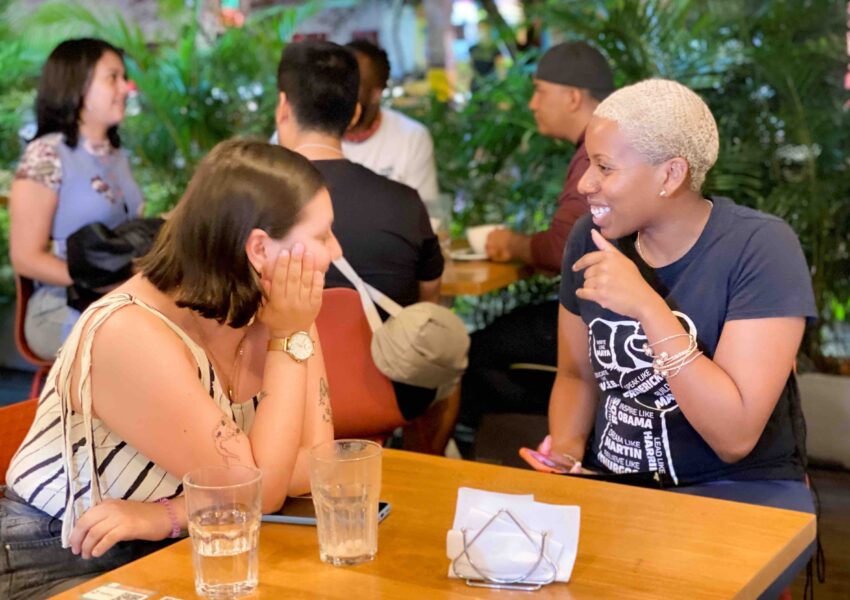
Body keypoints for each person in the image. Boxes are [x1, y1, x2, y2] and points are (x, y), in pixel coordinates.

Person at [2, 139, 338, 599]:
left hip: (180, 544)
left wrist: (170, 515)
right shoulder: (129, 332)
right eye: (321, 236)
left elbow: (319, 461)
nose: (335, 251)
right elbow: (257, 491)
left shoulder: (281, 309)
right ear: (259, 249)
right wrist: (286, 340)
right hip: (56, 559)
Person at [541, 79, 815, 596]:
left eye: (604, 167)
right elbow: (576, 375)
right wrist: (568, 454)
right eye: (588, 165)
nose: (584, 185)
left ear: (670, 174)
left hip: (736, 491)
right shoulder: (591, 236)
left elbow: (734, 438)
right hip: (615, 488)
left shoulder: (760, 248)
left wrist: (647, 306)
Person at [274, 40, 445, 420]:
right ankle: (423, 467)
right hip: (389, 398)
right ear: (353, 114)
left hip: (281, 398)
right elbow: (428, 298)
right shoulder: (405, 201)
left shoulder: (252, 204)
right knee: (447, 364)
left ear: (283, 107)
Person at [459, 41, 614, 429]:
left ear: (574, 97)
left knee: (474, 353)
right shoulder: (609, 144)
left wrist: (513, 245)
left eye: (540, 91)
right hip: (614, 309)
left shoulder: (595, 154)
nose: (532, 103)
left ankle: (549, 436)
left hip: (605, 318)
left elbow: (564, 247)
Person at [9, 38, 145, 360]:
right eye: (112, 77)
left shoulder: (116, 155)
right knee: (147, 346)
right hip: (60, 305)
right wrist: (106, 284)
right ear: (77, 84)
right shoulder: (47, 154)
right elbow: (25, 257)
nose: (125, 88)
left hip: (118, 301)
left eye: (123, 78)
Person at [342, 39, 439, 202]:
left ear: (377, 93)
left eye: (353, 85)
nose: (341, 92)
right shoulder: (309, 134)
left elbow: (425, 214)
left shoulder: (411, 137)